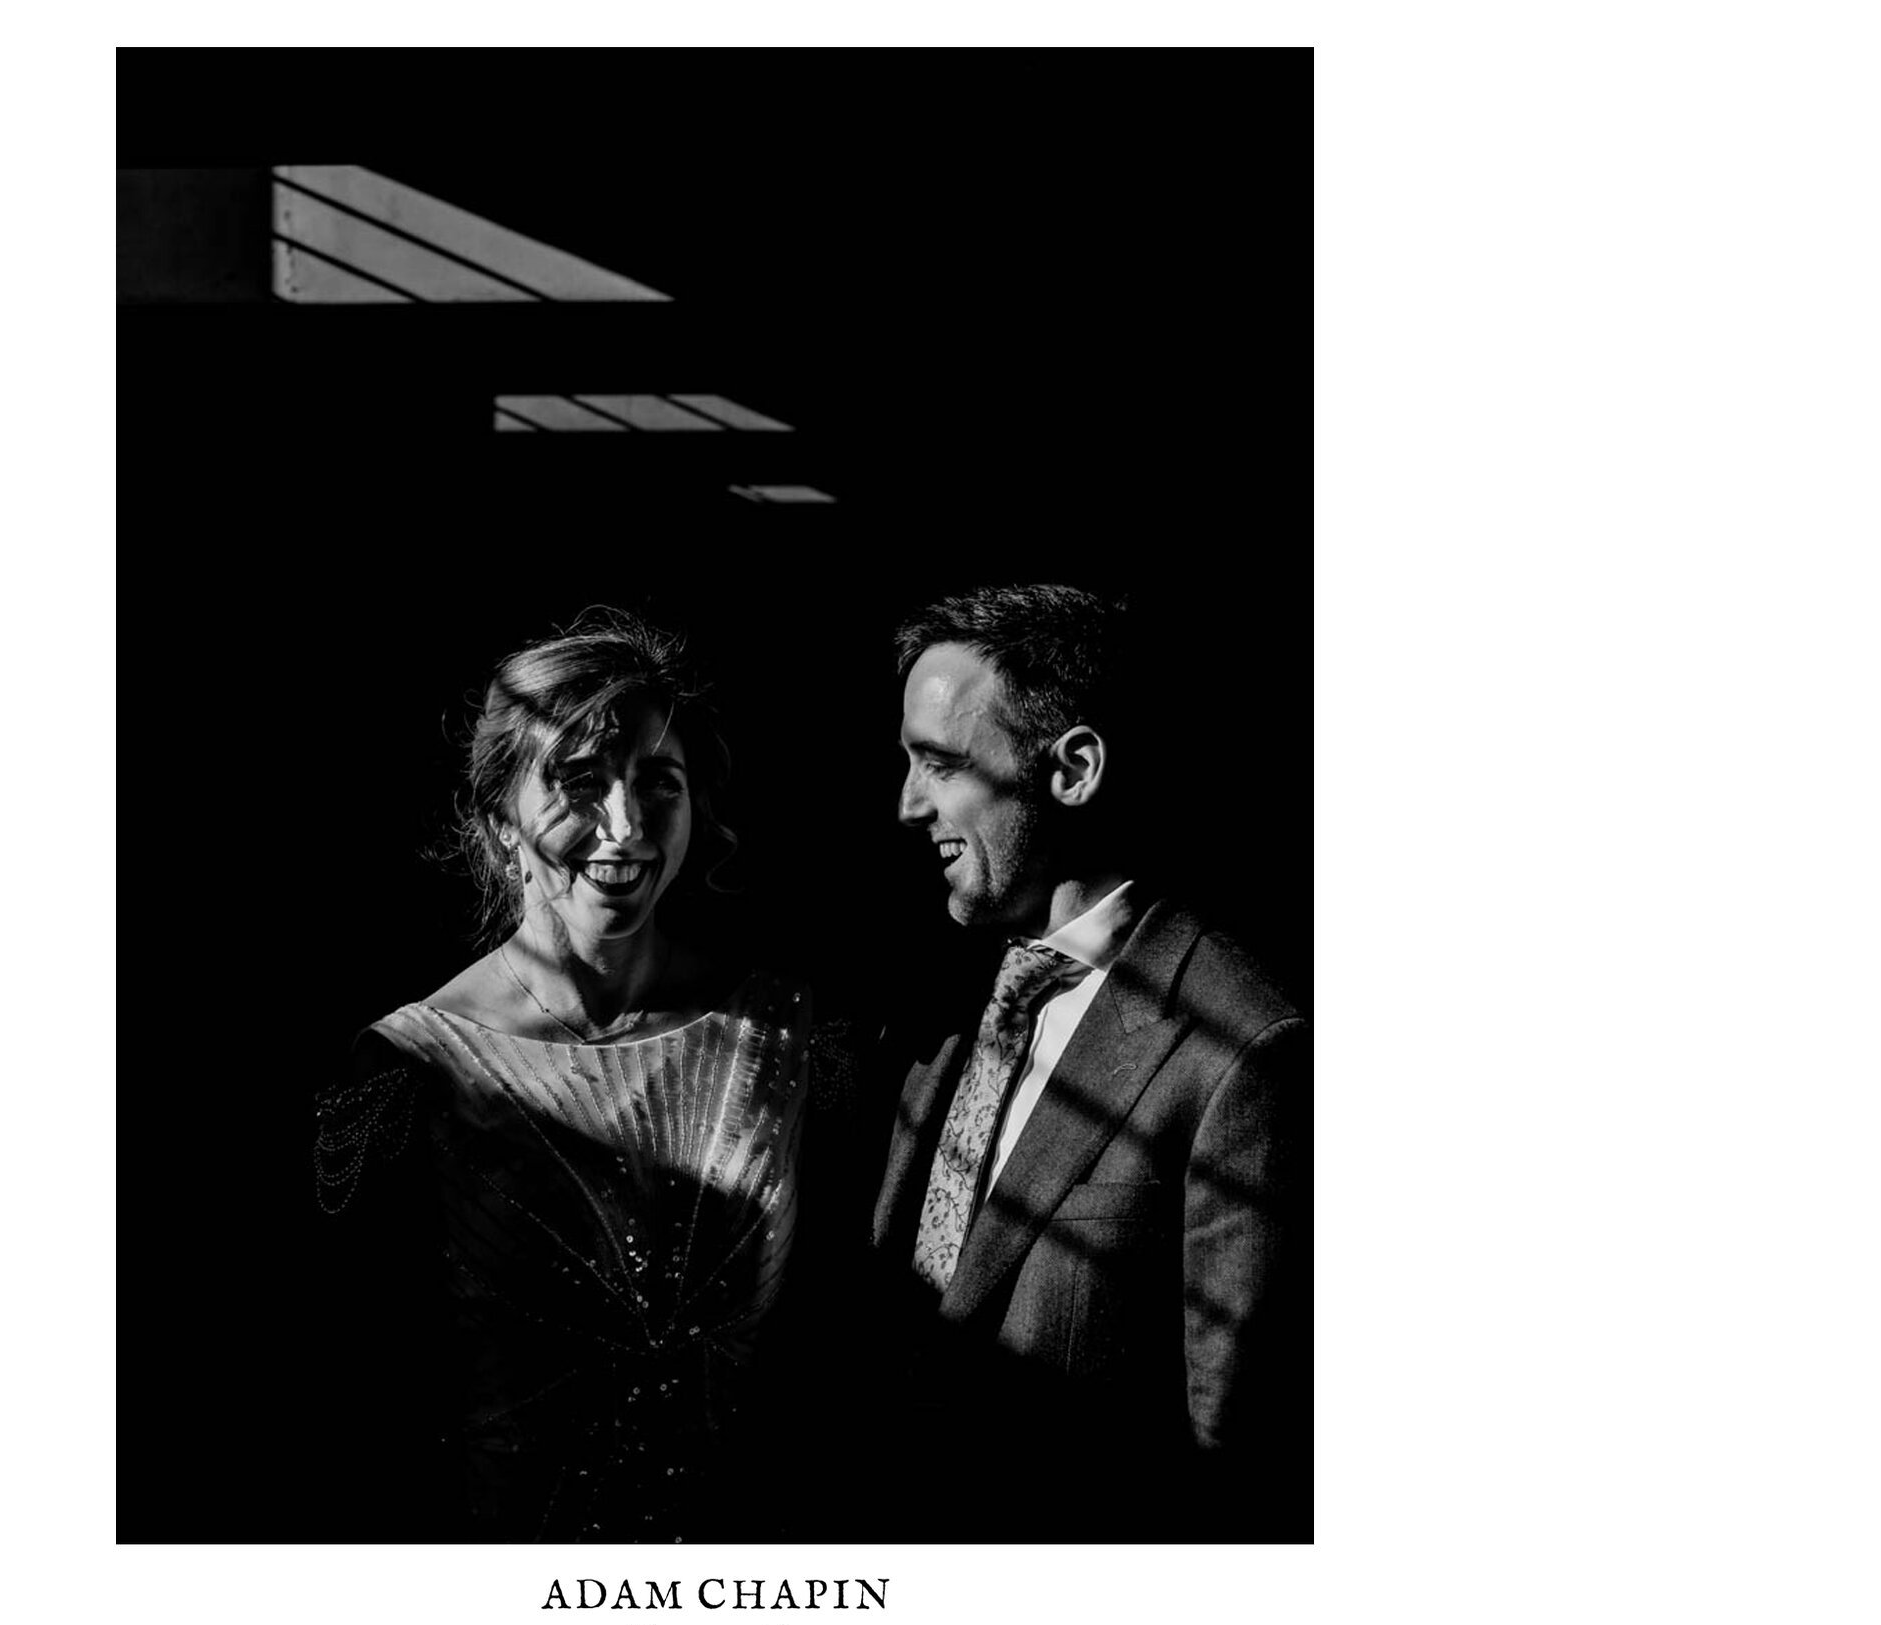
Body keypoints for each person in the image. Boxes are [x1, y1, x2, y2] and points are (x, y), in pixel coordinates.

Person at [311, 608, 839, 1543]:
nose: (626, 824)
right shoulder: (396, 1069)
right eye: (580, 782)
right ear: (497, 820)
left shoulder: (789, 1031)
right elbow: (349, 1385)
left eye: (657, 782)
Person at [851, 582, 1310, 1541]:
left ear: (1074, 769)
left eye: (939, 762)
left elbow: (1231, 1458)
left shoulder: (1241, 1049)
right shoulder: (929, 1001)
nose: (906, 804)